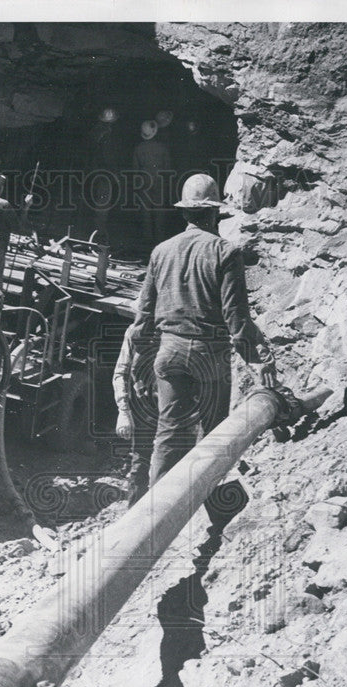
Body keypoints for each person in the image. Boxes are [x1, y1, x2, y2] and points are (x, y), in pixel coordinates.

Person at [129, 173, 278, 491]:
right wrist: (258, 360)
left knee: (167, 434)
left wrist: (138, 363)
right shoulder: (226, 252)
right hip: (208, 355)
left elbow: (142, 315)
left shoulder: (161, 251)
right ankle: (208, 502)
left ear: (184, 212)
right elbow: (235, 317)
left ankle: (158, 513)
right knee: (213, 436)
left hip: (167, 354)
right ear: (214, 213)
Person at [112, 324, 158, 507]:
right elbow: (120, 373)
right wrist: (123, 411)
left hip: (173, 412)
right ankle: (134, 517)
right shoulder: (134, 332)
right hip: (144, 409)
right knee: (140, 464)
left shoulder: (179, 331)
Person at [132, 120, 171, 250]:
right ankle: (160, 238)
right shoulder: (163, 148)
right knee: (159, 209)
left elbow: (135, 168)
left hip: (144, 179)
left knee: (145, 210)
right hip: (159, 179)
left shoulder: (138, 148)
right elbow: (167, 166)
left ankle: (147, 238)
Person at [89, 108, 123, 246]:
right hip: (104, 174)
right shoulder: (106, 136)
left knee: (98, 202)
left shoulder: (95, 133)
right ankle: (99, 234)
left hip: (94, 172)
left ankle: (97, 231)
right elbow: (108, 157)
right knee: (103, 204)